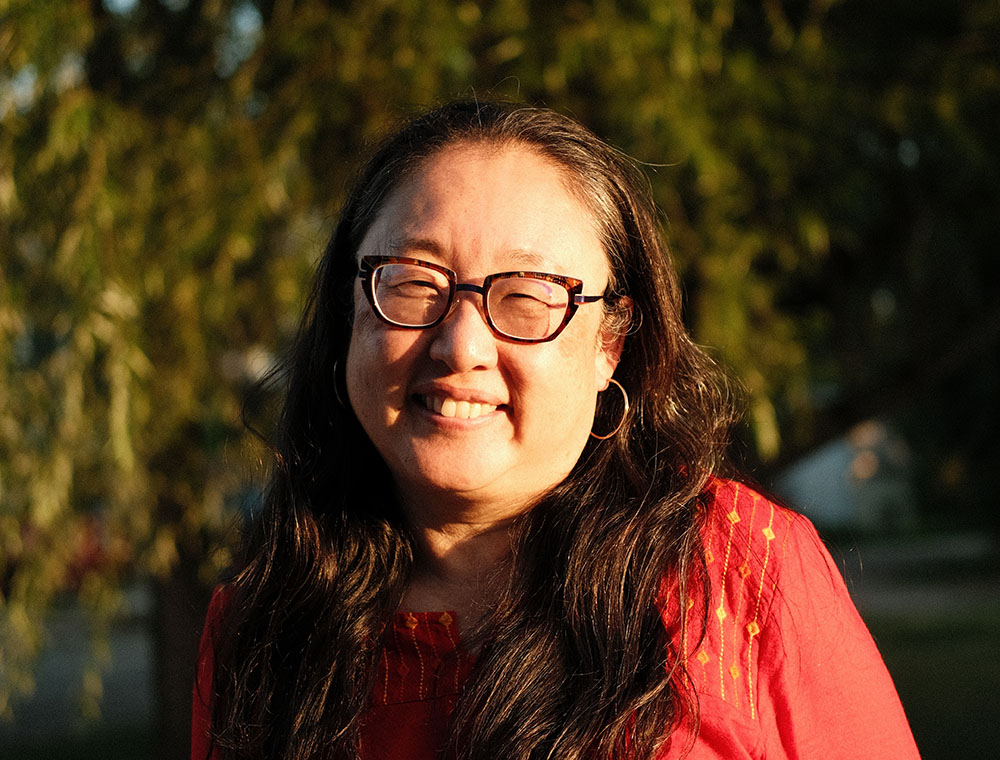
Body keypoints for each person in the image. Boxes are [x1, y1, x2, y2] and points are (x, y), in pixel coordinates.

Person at [192, 100, 920, 760]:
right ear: (351, 306)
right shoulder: (260, 626)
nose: (461, 347)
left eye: (529, 297)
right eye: (414, 281)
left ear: (612, 344)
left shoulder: (737, 573)